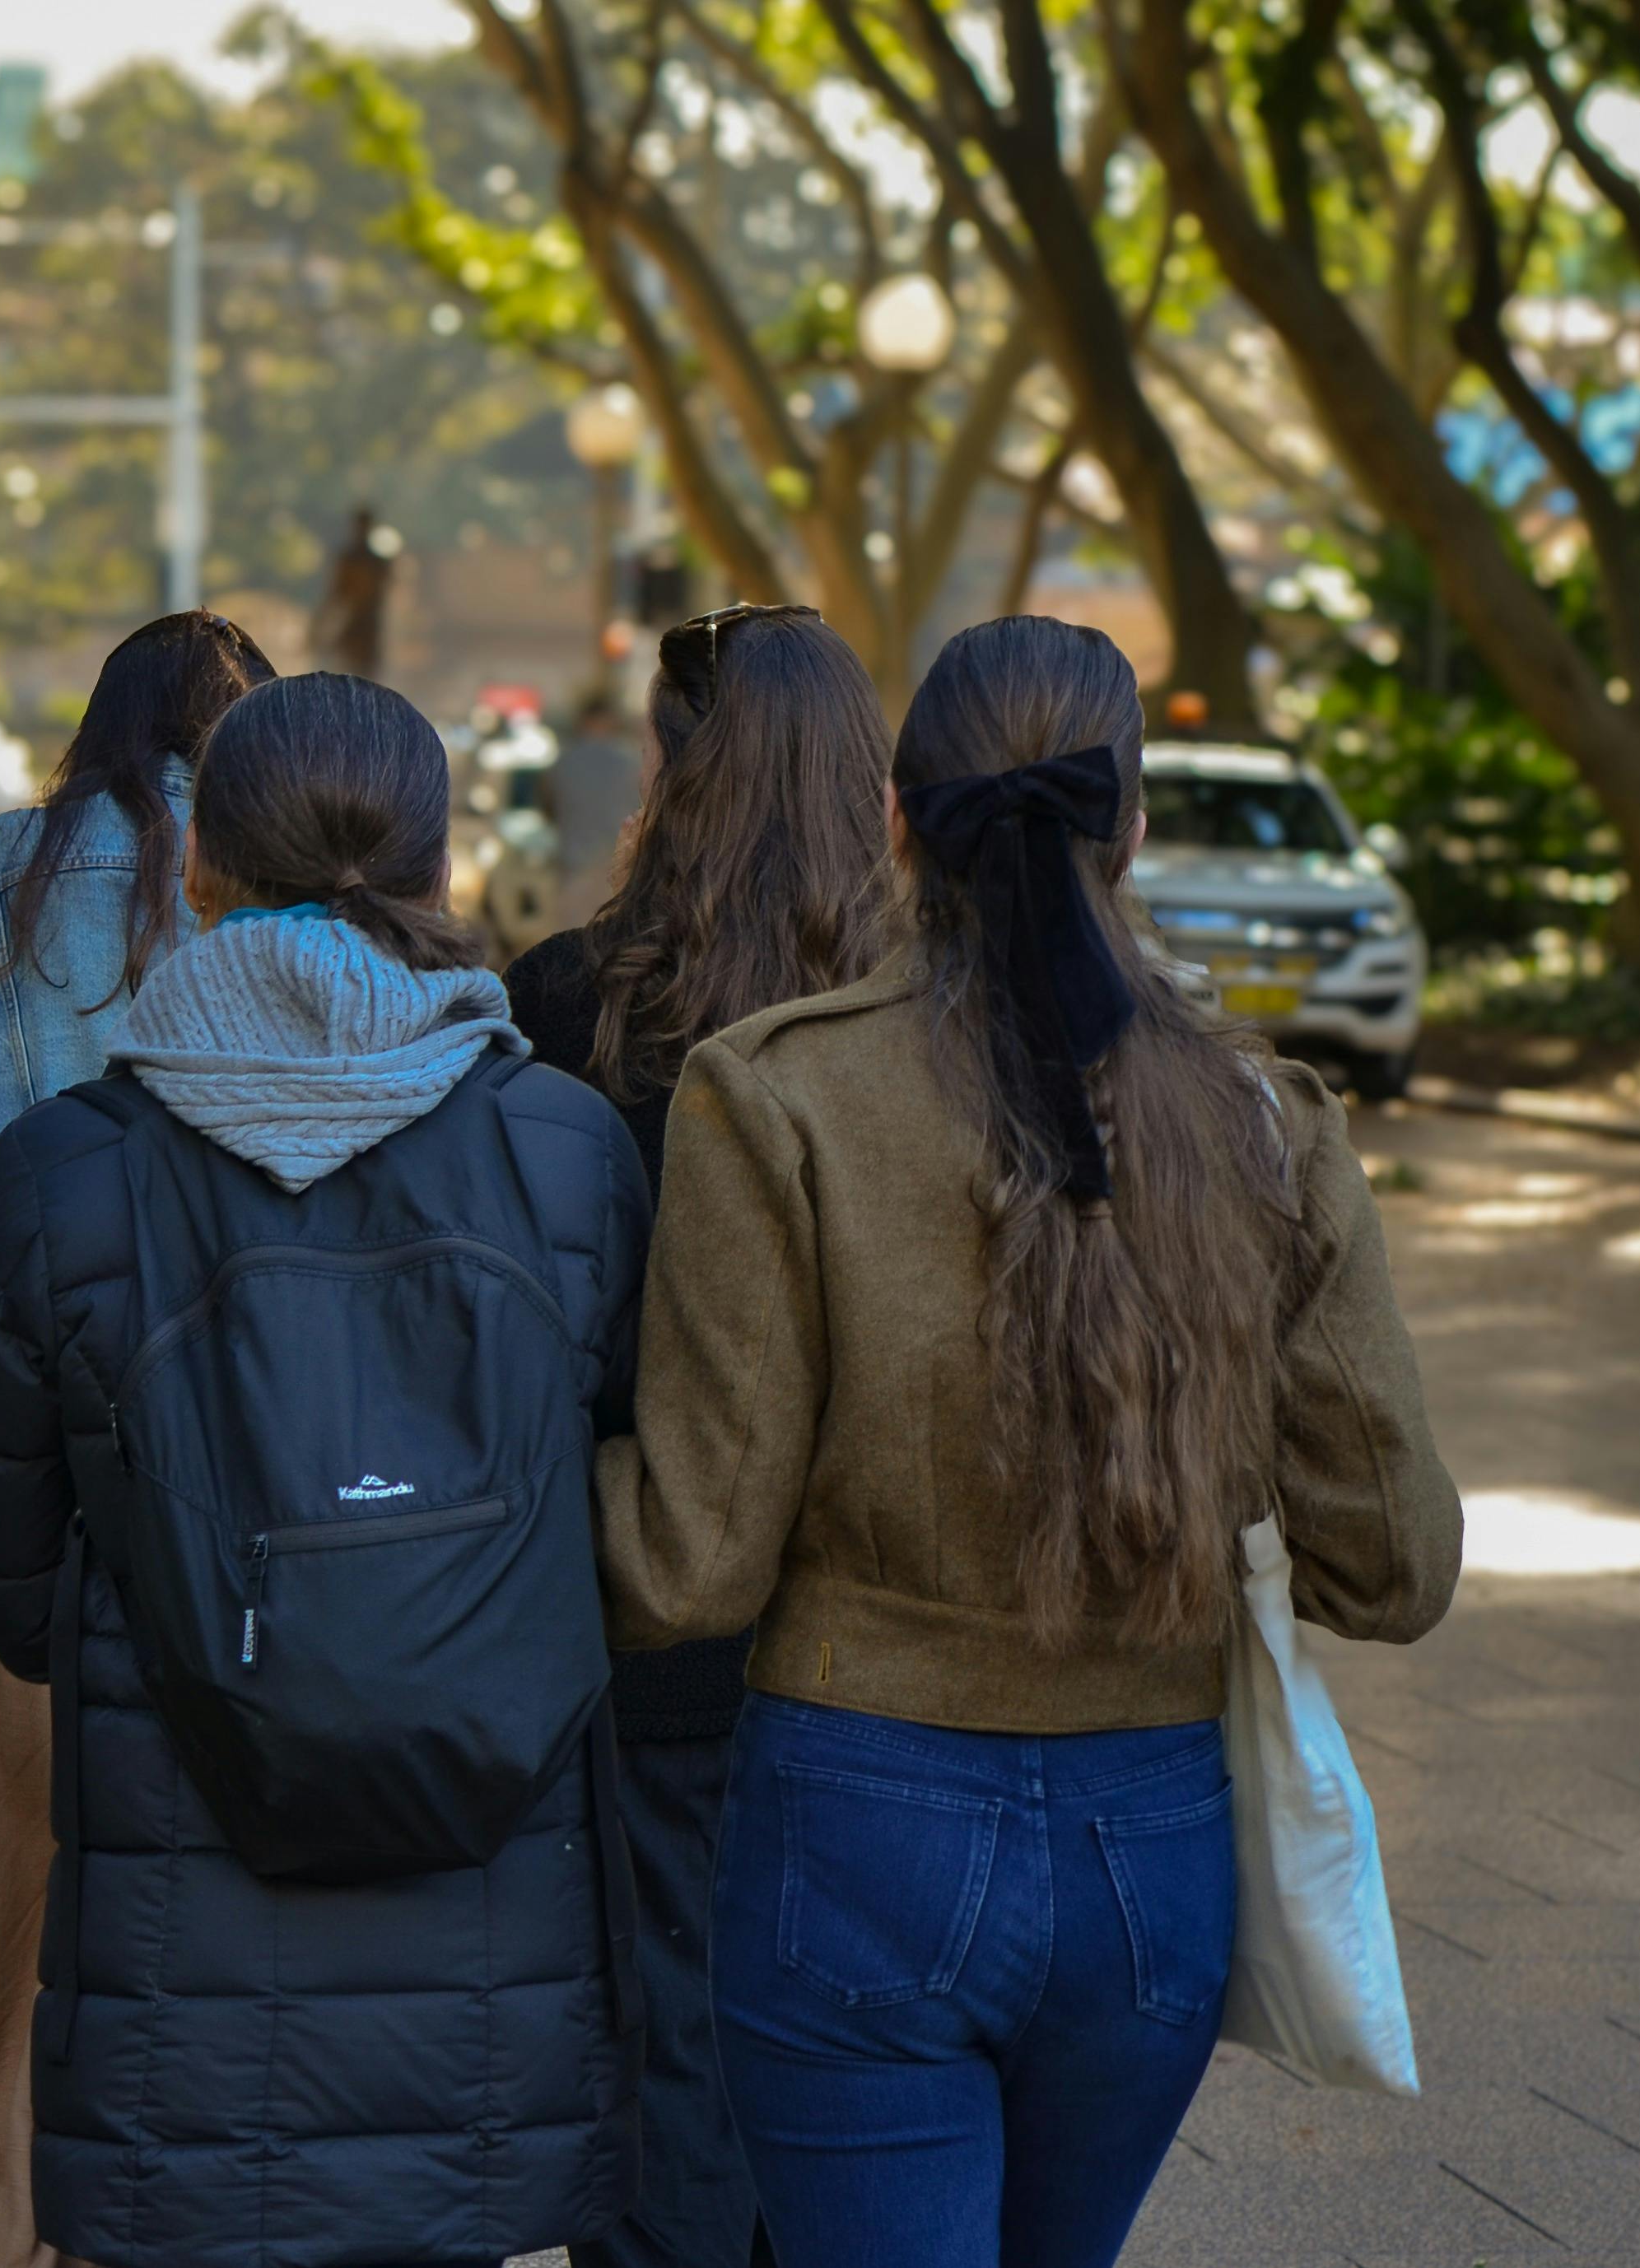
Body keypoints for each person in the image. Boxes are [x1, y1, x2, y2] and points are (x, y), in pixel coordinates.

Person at [596, 615, 1462, 2268]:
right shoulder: (1266, 1123)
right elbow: (1394, 1565)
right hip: (1153, 1848)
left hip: (855, 1824)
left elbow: (691, 1566)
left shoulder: (772, 1097)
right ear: (1129, 826)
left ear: (902, 823)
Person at [0, 671, 650, 2268]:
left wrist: (190, 1637)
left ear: (201, 867)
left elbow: (12, 1565)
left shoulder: (65, 1171)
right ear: (435, 866)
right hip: (484, 1904)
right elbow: (605, 1462)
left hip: (178, 1877)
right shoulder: (565, 1148)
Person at [0, 609, 277, 2268]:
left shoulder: (7, 864)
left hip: (28, 1462)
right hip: (255, 1482)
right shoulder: (285, 885)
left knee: (7, 1923)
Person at [500, 603, 896, 2268]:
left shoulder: (571, 1003)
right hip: (880, 1627)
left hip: (649, 1609)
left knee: (661, 2037)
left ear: (669, 767)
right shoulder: (914, 1009)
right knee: (860, 2054)